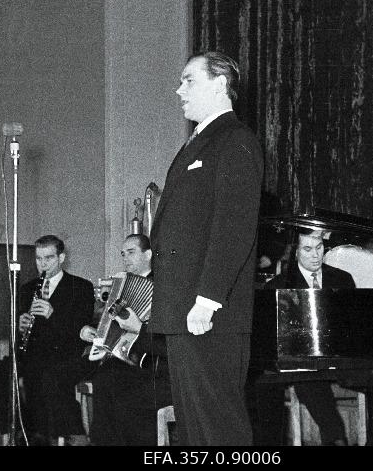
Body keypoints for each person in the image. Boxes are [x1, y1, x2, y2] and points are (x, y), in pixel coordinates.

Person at [149, 51, 264, 445]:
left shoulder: (234, 140)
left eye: (189, 80)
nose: (178, 90)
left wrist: (208, 299)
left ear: (219, 84)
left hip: (208, 313)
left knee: (218, 428)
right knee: (196, 430)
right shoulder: (195, 145)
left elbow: (234, 226)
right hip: (184, 309)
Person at [0, 235, 96, 446]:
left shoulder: (80, 287)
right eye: (38, 259)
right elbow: (18, 334)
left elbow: (80, 330)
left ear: (61, 257)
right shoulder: (28, 288)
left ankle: (52, 435)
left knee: (42, 376)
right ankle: (19, 428)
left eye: (49, 258)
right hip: (31, 353)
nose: (43, 264)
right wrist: (20, 326)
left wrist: (53, 314)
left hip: (62, 354)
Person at [249, 230, 355, 446]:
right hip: (301, 361)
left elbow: (352, 325)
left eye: (319, 248)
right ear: (295, 251)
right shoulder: (277, 286)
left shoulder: (342, 278)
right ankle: (334, 439)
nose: (316, 255)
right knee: (301, 376)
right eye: (307, 249)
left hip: (339, 355)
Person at [85, 233, 172, 445]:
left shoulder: (163, 288)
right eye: (123, 254)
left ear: (148, 254)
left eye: (131, 252)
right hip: (128, 357)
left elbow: (163, 339)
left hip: (153, 362)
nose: (126, 258)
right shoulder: (121, 286)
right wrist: (96, 334)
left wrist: (139, 328)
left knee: (123, 393)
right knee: (105, 376)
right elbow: (110, 326)